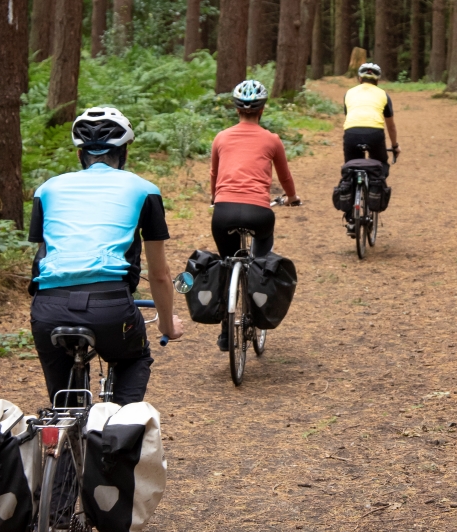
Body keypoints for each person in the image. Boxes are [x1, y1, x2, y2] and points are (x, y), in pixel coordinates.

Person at [29, 106, 183, 404]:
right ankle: (119, 437)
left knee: (62, 404)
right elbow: (160, 274)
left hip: (49, 308)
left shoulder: (47, 189)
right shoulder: (144, 189)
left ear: (80, 154)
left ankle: (60, 438)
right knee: (133, 359)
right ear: (124, 152)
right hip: (110, 306)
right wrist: (166, 325)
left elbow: (40, 259)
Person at [209, 79, 300, 350]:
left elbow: (214, 174)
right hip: (259, 213)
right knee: (260, 262)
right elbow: (285, 176)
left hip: (223, 212)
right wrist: (292, 198)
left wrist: (215, 198)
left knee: (227, 263)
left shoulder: (221, 137)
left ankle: (227, 332)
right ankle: (257, 299)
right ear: (262, 110)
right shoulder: (271, 139)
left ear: (236, 109)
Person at [342, 60, 400, 175]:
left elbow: (349, 116)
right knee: (381, 164)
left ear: (360, 79)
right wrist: (394, 146)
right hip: (374, 134)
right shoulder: (383, 95)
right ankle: (375, 190)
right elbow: (391, 126)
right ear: (377, 80)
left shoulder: (348, 93)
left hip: (351, 133)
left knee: (350, 167)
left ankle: (349, 190)